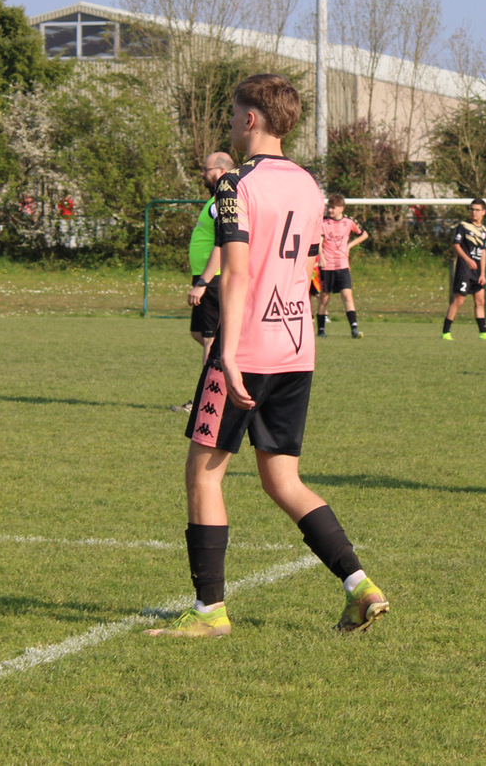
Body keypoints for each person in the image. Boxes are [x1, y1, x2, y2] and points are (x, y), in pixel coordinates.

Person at [149, 74, 387, 639]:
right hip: (296, 347)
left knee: (203, 474)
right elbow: (306, 266)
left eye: (234, 115)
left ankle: (209, 613)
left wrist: (227, 353)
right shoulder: (308, 185)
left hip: (248, 349)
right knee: (283, 480)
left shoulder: (236, 183)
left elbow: (236, 272)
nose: (231, 124)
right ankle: (361, 586)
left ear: (251, 120)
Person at [174, 152, 235, 414]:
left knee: (211, 341)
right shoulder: (215, 200)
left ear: (220, 172)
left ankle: (205, 403)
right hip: (208, 279)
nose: (202, 173)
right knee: (200, 334)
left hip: (213, 280)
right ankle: (230, 370)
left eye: (206, 169)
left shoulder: (221, 202)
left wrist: (203, 282)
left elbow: (222, 245)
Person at [442, 199, 486, 341]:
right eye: (472, 209)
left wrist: (483, 273)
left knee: (480, 300)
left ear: (483, 212)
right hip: (464, 270)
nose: (474, 212)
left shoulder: (484, 230)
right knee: (459, 300)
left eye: (477, 210)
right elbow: (456, 245)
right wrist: (467, 260)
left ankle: (483, 333)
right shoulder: (463, 226)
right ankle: (446, 332)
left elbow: (483, 253)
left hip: (477, 272)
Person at [316, 194, 369, 338]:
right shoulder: (324, 223)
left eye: (333, 208)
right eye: (329, 207)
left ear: (341, 208)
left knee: (347, 295)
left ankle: (354, 329)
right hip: (327, 265)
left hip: (342, 265)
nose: (330, 210)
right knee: (324, 298)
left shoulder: (349, 222)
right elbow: (319, 241)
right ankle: (321, 330)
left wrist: (349, 246)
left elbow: (364, 235)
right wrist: (321, 256)